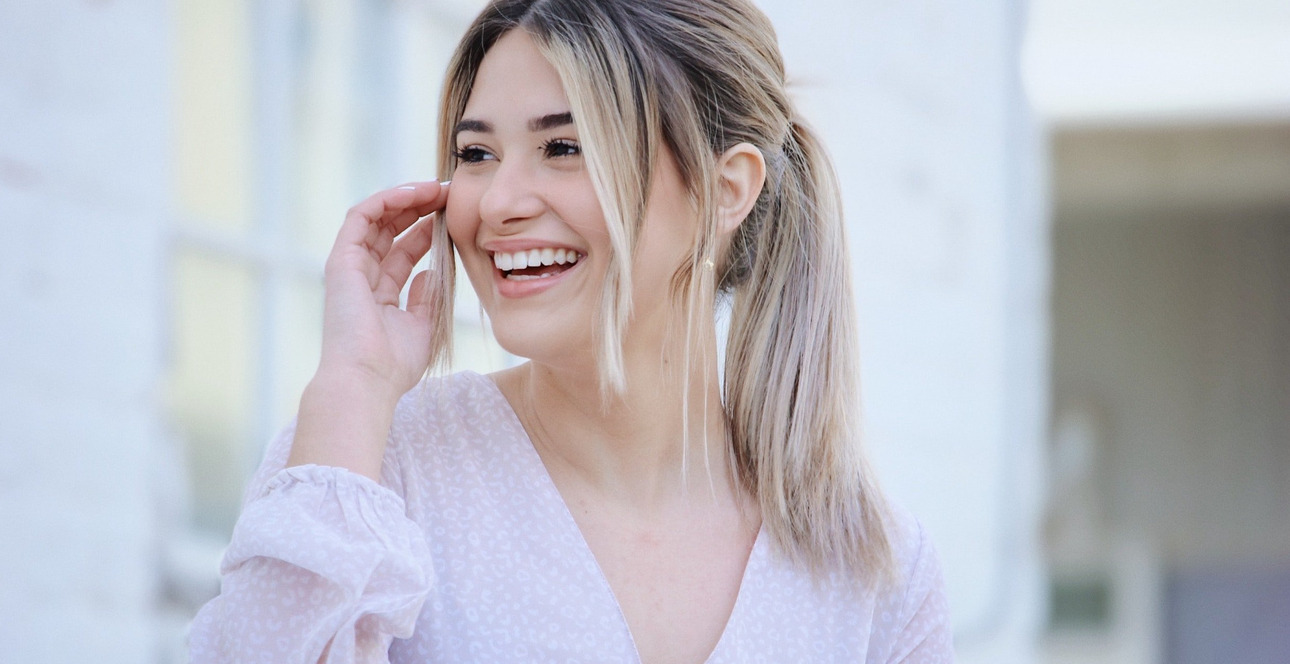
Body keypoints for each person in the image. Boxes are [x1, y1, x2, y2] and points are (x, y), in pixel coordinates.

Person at [188, 0, 954, 661]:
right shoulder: (365, 469)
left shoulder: (875, 573)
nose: (497, 203)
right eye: (476, 154)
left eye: (563, 147)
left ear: (726, 190)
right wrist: (353, 385)